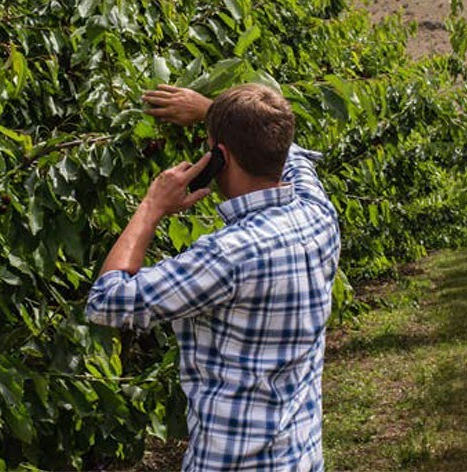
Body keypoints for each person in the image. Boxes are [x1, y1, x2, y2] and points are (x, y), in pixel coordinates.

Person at [85, 83, 340, 471]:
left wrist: (152, 206)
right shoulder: (317, 213)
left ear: (219, 157)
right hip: (299, 458)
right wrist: (215, 113)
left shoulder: (226, 255)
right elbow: (295, 156)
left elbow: (108, 302)